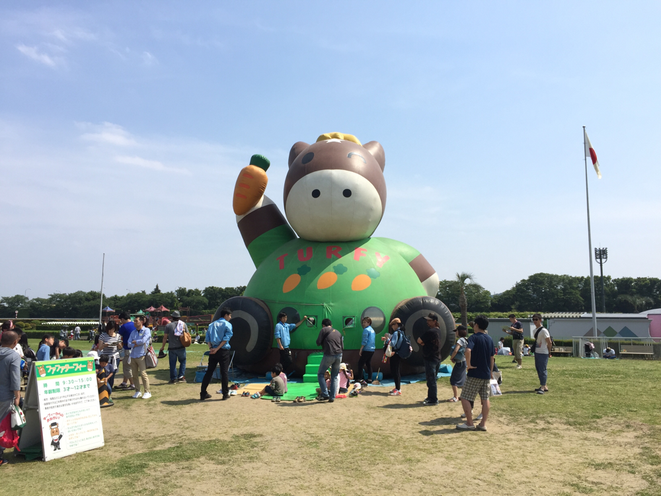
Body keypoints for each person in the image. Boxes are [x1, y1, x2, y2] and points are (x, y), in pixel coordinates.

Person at [457, 315, 495, 431]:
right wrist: (491, 372)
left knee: (465, 397)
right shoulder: (489, 339)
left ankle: (469, 423)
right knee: (485, 398)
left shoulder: (473, 337)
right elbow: (492, 357)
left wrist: (468, 365)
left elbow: (468, 350)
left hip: (475, 372)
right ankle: (483, 424)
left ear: (476, 325)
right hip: (486, 373)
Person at [200, 308, 233, 401]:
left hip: (213, 350)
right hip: (223, 351)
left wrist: (211, 349)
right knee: (224, 372)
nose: (230, 317)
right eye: (230, 315)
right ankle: (225, 394)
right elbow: (226, 339)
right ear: (226, 315)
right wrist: (218, 348)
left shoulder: (211, 324)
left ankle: (203, 393)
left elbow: (208, 339)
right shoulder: (228, 325)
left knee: (209, 372)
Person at [0, 330, 21, 466]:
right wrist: (17, 396)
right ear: (15, 342)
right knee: (2, 426)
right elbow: (15, 378)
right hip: (5, 396)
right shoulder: (13, 355)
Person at [417, 313, 443, 406]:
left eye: (429, 320)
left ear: (434, 321)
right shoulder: (438, 331)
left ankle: (433, 399)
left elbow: (419, 340)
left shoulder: (430, 331)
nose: (427, 322)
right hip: (436, 357)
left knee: (431, 380)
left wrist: (424, 344)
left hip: (430, 358)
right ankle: (430, 396)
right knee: (432, 379)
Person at [315, 319, 343, 403]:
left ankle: (325, 394)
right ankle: (332, 397)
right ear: (331, 324)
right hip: (339, 355)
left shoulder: (323, 330)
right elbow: (342, 346)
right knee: (334, 376)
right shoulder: (338, 332)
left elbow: (318, 342)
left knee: (320, 374)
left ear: (323, 325)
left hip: (329, 354)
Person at [160, 310, 188, 384]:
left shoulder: (168, 326)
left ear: (172, 317)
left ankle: (173, 379)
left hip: (172, 348)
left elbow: (165, 337)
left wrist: (162, 347)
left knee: (172, 364)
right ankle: (181, 376)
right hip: (181, 347)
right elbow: (187, 334)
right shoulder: (183, 324)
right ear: (179, 317)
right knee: (183, 362)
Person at [128, 315, 151, 399]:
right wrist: (137, 343)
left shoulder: (146, 330)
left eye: (136, 321)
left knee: (143, 374)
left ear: (141, 322)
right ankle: (137, 391)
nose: (134, 322)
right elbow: (128, 343)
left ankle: (147, 391)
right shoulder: (133, 332)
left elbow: (144, 341)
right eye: (134, 321)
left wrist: (135, 342)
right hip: (133, 355)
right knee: (134, 374)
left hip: (142, 355)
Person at [532, 314, 552, 394]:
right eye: (533, 319)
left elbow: (549, 342)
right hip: (537, 352)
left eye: (536, 319)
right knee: (538, 369)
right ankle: (544, 385)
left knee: (542, 370)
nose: (534, 321)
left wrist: (549, 352)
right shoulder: (534, 330)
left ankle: (543, 387)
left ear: (540, 320)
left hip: (543, 352)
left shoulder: (544, 330)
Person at [98, 321, 121, 389]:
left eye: (113, 329)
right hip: (105, 357)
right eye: (110, 329)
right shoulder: (103, 335)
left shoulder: (118, 336)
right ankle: (104, 388)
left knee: (112, 374)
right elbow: (99, 347)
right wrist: (104, 345)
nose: (111, 331)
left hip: (115, 357)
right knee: (104, 373)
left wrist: (118, 344)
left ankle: (109, 388)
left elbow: (120, 348)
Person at [448, 325, 468, 403]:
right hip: (464, 361)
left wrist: (451, 357)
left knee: (454, 380)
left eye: (456, 331)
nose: (455, 333)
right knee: (463, 379)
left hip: (460, 363)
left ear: (459, 332)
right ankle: (464, 396)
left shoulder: (460, 340)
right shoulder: (466, 340)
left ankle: (455, 397)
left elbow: (456, 350)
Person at [386, 318, 405, 396]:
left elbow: (393, 343)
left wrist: (387, 339)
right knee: (396, 371)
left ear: (396, 325)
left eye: (393, 325)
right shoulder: (401, 332)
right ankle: (397, 388)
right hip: (398, 353)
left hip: (394, 354)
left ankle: (398, 389)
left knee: (395, 371)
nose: (392, 327)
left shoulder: (396, 333)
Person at [117, 312, 136, 390]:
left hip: (127, 349)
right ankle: (124, 382)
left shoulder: (124, 326)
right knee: (128, 366)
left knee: (127, 367)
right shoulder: (134, 324)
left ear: (122, 319)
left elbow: (118, 336)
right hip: (135, 348)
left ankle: (132, 384)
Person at [356, 317, 376, 384]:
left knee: (360, 363)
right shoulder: (372, 330)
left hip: (367, 349)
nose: (363, 324)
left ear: (368, 323)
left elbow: (365, 340)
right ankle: (370, 378)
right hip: (372, 349)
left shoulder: (366, 330)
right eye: (363, 322)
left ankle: (359, 378)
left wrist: (361, 348)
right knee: (368, 363)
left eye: (365, 322)